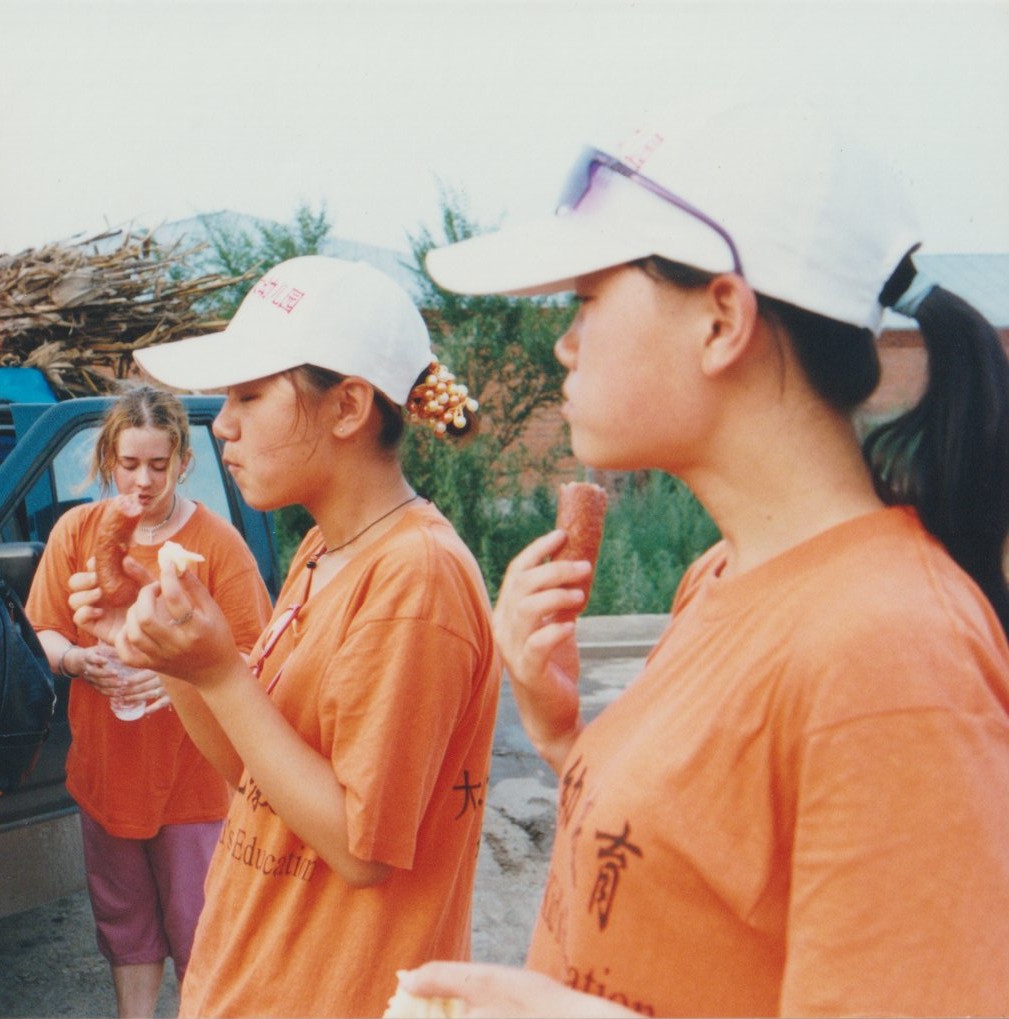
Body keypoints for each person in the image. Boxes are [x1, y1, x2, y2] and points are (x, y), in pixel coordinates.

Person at [396, 101, 1009, 1017]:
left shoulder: (890, 650)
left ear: (721, 318)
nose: (564, 341)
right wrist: (563, 731)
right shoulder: (722, 578)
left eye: (588, 298)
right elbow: (696, 894)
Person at [71, 255, 503, 1018]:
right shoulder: (323, 550)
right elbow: (254, 774)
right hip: (251, 981)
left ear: (346, 408)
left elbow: (359, 847)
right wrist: (174, 655)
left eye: (248, 394)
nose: (222, 424)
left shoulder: (415, 578)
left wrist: (222, 675)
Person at [24, 384, 271, 1018]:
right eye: (129, 465)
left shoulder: (216, 545)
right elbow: (42, 631)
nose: (142, 481)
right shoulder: (76, 532)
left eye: (158, 466)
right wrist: (78, 661)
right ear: (108, 460)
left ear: (183, 462)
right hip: (106, 773)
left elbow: (262, 658)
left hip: (193, 783)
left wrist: (174, 678)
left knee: (200, 929)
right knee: (124, 927)